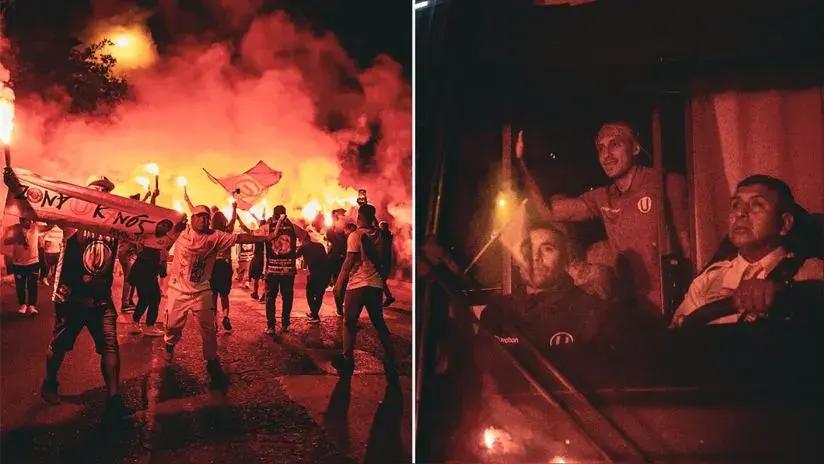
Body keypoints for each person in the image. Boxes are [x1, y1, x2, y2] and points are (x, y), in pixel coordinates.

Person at [517, 123, 690, 320]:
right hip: (631, 310)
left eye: (615, 144)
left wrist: (689, 305)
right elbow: (549, 212)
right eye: (601, 148)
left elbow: (688, 246)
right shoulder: (603, 197)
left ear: (635, 148)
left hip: (670, 306)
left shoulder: (664, 183)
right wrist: (521, 162)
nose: (606, 155)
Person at [5, 171, 133, 420]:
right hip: (72, 300)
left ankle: (114, 398)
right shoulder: (73, 221)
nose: (102, 193)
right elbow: (37, 208)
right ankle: (50, 382)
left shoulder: (116, 227)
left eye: (106, 190)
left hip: (101, 301)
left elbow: (145, 232)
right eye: (97, 188)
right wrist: (16, 186)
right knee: (59, 346)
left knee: (110, 347)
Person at [670, 175, 824, 327]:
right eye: (735, 205)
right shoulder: (707, 282)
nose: (740, 213)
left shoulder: (810, 272)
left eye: (757, 205)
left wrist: (784, 291)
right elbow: (677, 337)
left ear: (784, 224)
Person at [162, 204, 273, 384]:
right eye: (199, 216)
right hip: (178, 290)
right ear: (192, 218)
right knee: (172, 325)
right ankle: (169, 343)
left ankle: (212, 359)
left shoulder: (216, 236)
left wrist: (267, 237)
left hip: (201, 291)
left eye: (206, 216)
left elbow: (241, 238)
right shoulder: (181, 232)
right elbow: (157, 234)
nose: (203, 219)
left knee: (209, 329)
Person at [479, 220, 613, 354]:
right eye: (528, 249)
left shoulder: (591, 312)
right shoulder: (498, 310)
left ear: (565, 258)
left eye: (548, 249)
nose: (535, 257)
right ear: (516, 260)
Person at [331, 204, 397, 379]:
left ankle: (347, 359)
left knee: (349, 322)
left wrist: (338, 284)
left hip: (357, 285)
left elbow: (348, 262)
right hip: (375, 285)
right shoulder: (380, 235)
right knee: (379, 322)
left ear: (359, 217)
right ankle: (391, 355)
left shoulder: (356, 235)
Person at [261, 205, 307, 334]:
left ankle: (271, 326)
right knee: (287, 297)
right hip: (288, 270)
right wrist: (296, 253)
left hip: (272, 270)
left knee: (270, 297)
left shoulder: (268, 227)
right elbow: (305, 237)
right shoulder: (293, 227)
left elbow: (252, 233)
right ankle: (285, 324)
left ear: (273, 214)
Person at [128, 190, 167, 337]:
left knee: (147, 298)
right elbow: (151, 214)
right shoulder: (150, 233)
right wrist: (153, 198)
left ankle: (137, 323)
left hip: (147, 269)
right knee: (153, 298)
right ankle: (148, 325)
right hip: (144, 268)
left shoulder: (162, 238)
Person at [5, 217, 51, 315]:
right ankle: (22, 305)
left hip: (33, 262)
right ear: (21, 220)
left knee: (32, 284)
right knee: (20, 285)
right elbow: (5, 241)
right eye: (27, 220)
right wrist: (15, 239)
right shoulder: (14, 229)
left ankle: (32, 306)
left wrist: (54, 220)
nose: (30, 222)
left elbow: (48, 227)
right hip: (18, 263)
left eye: (30, 220)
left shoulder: (35, 227)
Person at [209, 207, 237, 332]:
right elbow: (233, 219)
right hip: (225, 265)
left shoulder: (210, 234)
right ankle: (225, 316)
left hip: (213, 266)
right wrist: (234, 208)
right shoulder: (227, 232)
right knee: (224, 295)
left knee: (213, 295)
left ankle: (214, 321)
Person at [297, 232, 330, 323]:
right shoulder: (319, 245)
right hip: (325, 272)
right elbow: (326, 258)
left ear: (303, 240)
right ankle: (314, 313)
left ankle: (315, 315)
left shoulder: (303, 247)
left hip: (315, 273)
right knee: (319, 295)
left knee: (309, 293)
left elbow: (295, 256)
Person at [326, 209, 348, 316]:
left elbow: (329, 232)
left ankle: (340, 308)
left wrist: (333, 218)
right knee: (342, 287)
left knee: (338, 287)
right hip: (342, 264)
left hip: (338, 264)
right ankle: (341, 307)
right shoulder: (345, 235)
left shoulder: (337, 236)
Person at [378, 221, 396, 307]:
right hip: (386, 262)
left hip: (383, 262)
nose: (379, 228)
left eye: (380, 227)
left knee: (380, 281)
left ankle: (388, 297)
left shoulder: (384, 236)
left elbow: (383, 251)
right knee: (380, 281)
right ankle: (387, 297)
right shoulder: (388, 235)